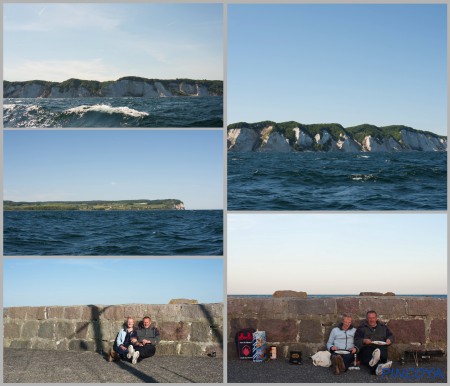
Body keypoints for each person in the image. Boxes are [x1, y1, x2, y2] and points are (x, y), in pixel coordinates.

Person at [355, 310, 394, 375]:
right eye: (369, 318)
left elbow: (390, 336)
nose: (371, 320)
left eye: (373, 318)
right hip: (367, 348)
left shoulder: (383, 327)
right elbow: (356, 340)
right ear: (367, 319)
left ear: (376, 318)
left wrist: (389, 340)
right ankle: (379, 367)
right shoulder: (361, 328)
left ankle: (378, 365)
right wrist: (364, 340)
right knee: (368, 354)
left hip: (381, 347)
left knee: (381, 352)